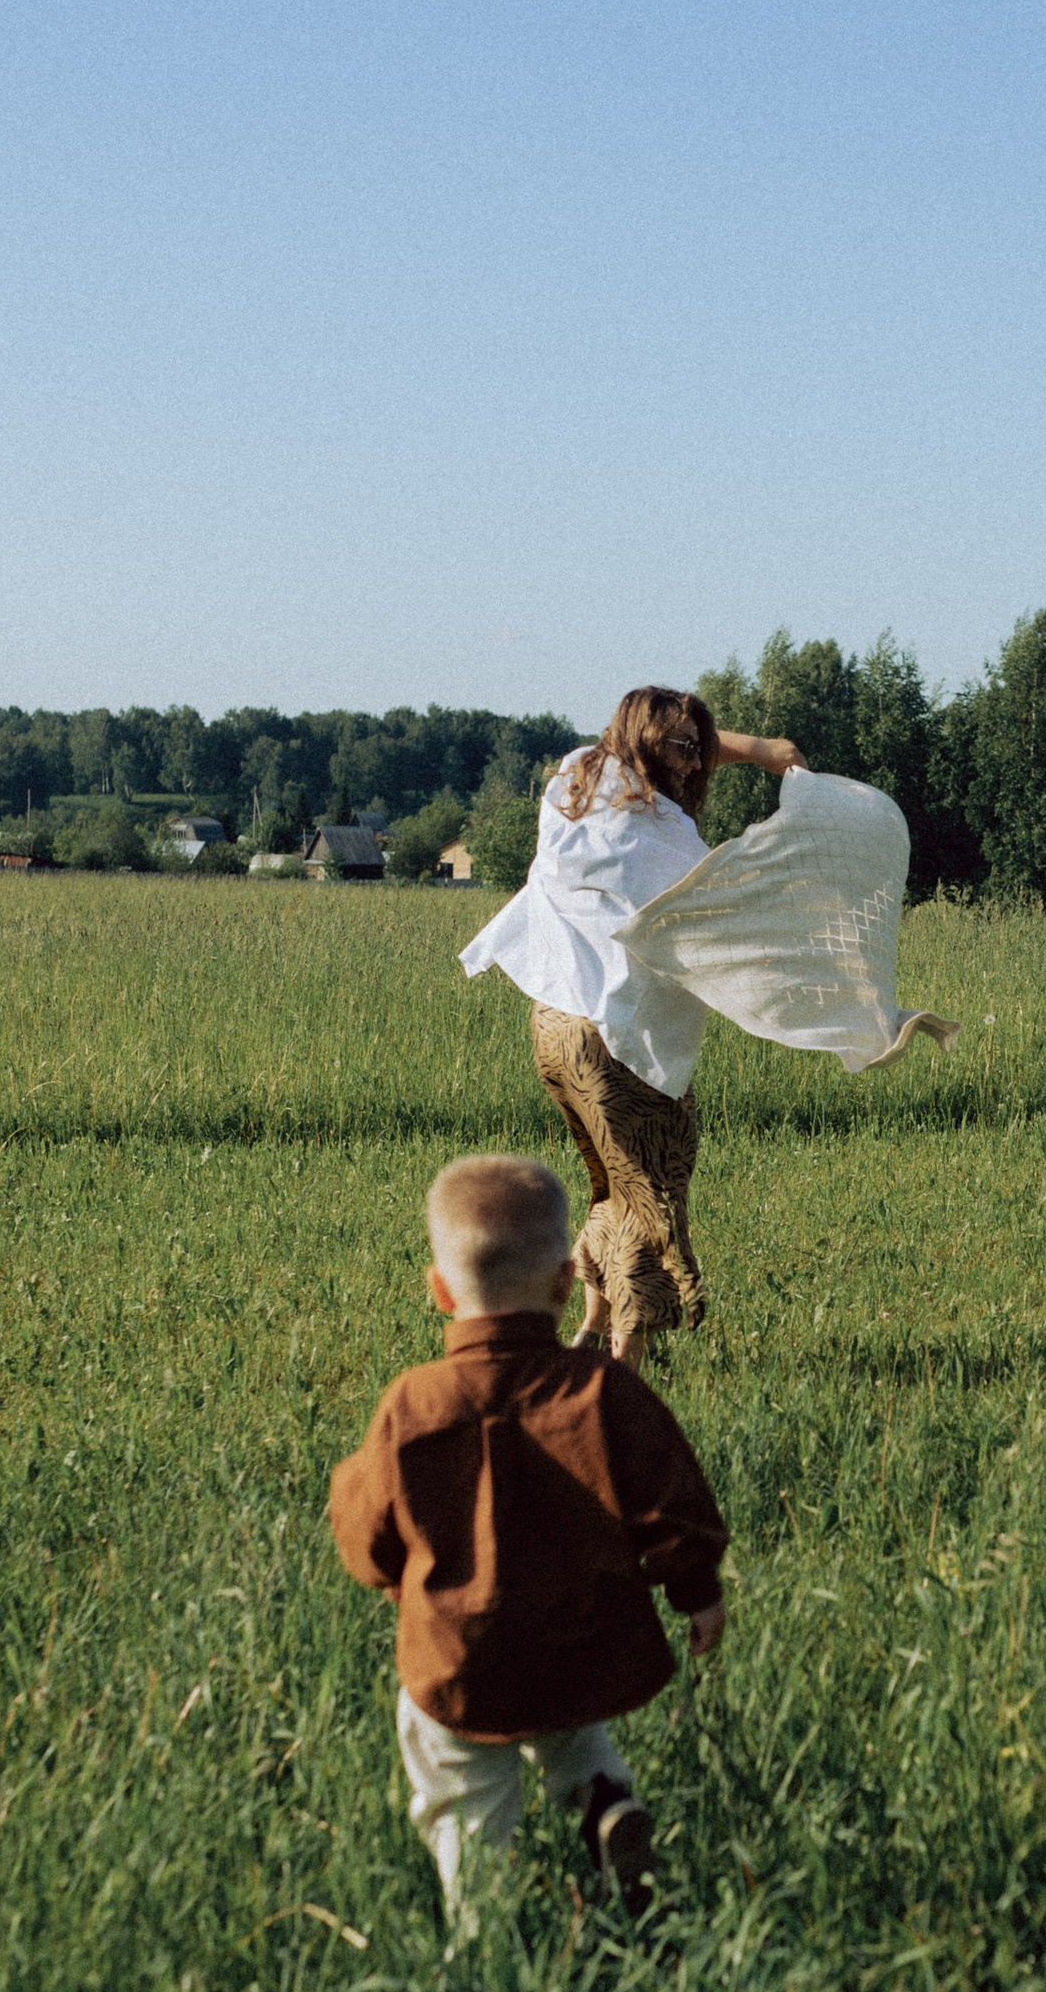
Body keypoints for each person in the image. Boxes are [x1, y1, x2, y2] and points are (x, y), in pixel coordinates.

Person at [327, 1153, 731, 1917]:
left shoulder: (413, 1405)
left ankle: (486, 1929)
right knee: (574, 1730)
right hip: (579, 1642)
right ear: (566, 1283)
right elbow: (672, 1497)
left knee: (465, 1795)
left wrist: (393, 1574)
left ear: (439, 1289)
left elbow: (365, 1531)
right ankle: (605, 1803)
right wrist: (698, 1589)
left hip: (462, 1659)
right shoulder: (603, 1391)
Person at [461, 689, 800, 1368]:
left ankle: (588, 1332)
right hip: (614, 1039)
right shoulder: (658, 832)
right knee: (653, 1187)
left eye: (700, 748)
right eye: (683, 749)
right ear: (649, 745)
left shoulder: (578, 778)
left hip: (555, 1025)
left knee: (614, 1185)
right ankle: (624, 1365)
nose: (695, 763)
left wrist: (761, 751)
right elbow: (717, 919)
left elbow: (651, 747)